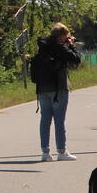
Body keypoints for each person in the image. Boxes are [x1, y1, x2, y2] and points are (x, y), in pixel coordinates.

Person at [34, 23, 82, 161]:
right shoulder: (59, 47)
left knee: (45, 120)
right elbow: (76, 59)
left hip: (42, 88)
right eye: (66, 36)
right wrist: (71, 45)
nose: (67, 38)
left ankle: (45, 152)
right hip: (59, 88)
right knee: (59, 120)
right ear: (61, 36)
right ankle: (61, 151)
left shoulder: (43, 47)